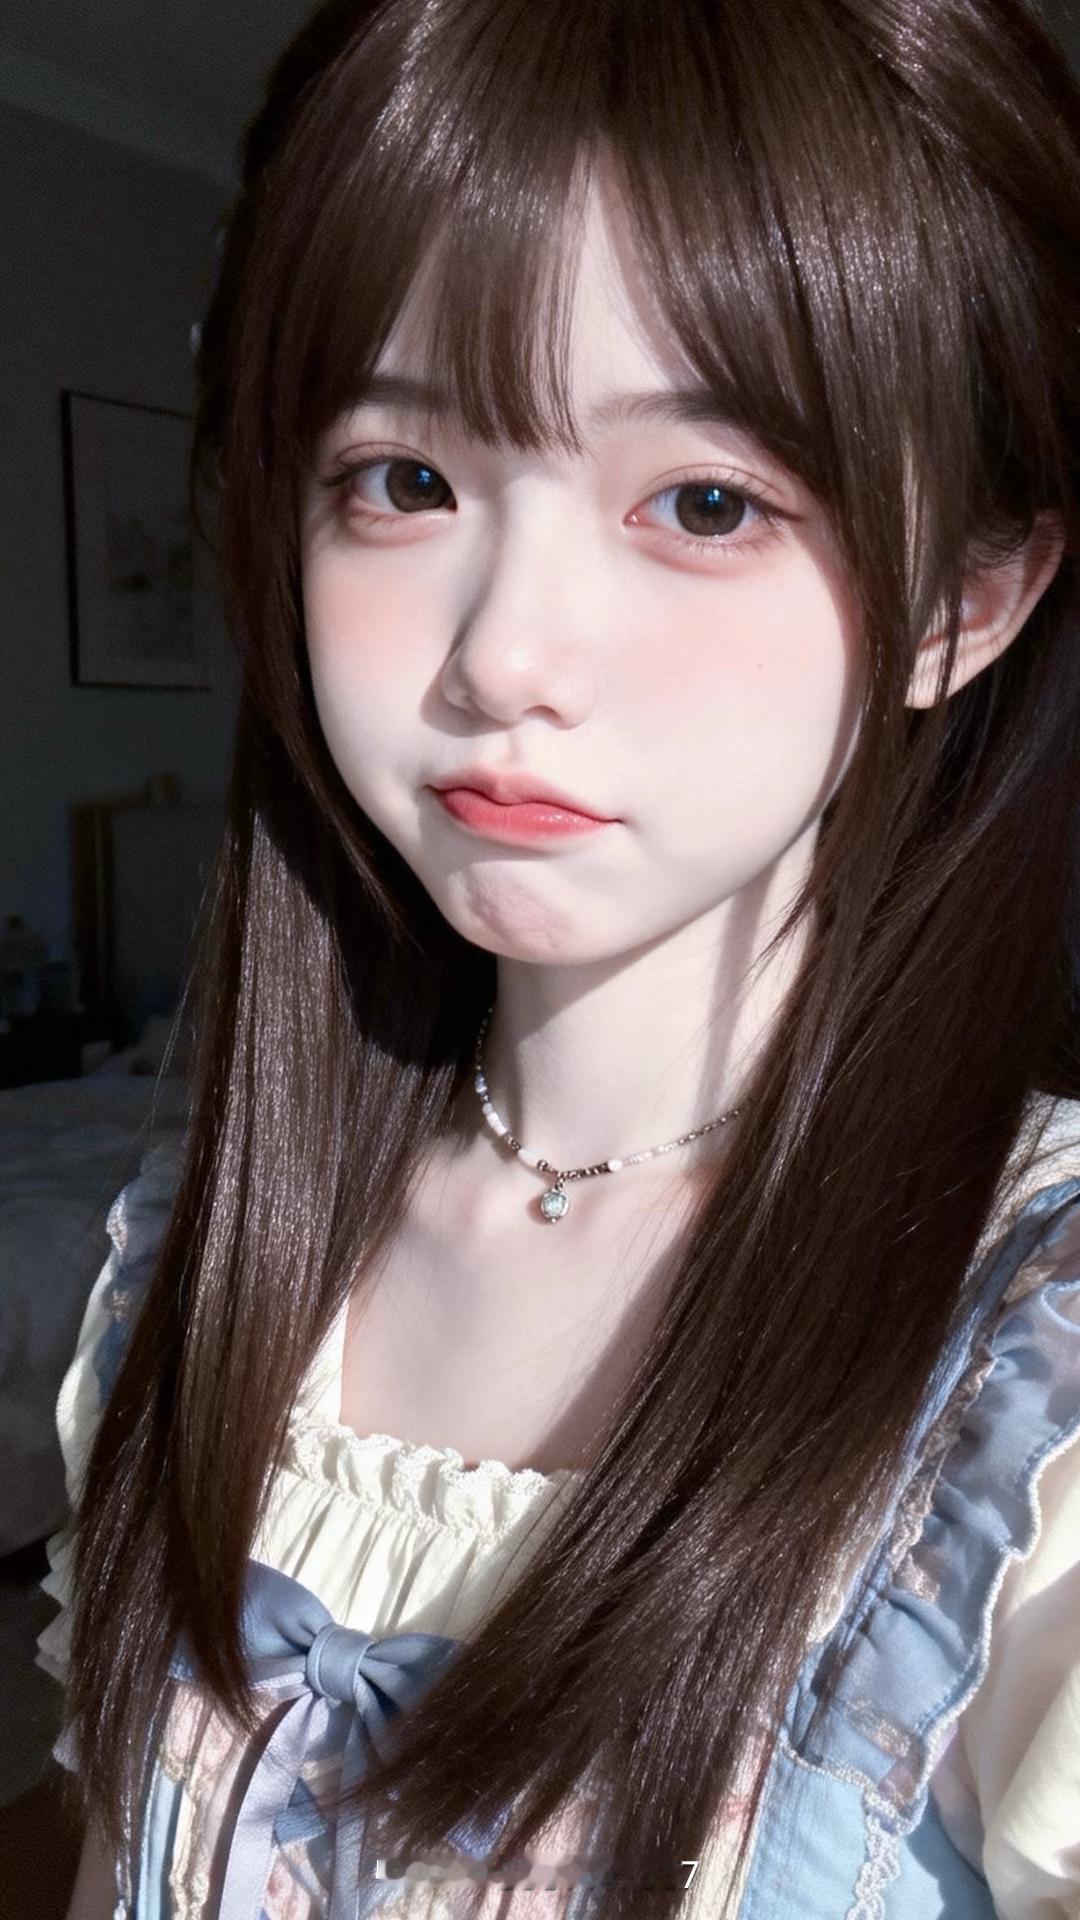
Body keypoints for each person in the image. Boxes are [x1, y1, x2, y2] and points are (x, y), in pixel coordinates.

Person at [38, 0, 1080, 1915]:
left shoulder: (1040, 1389)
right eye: (402, 481)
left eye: (706, 503)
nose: (504, 652)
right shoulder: (193, 1262)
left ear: (967, 593)